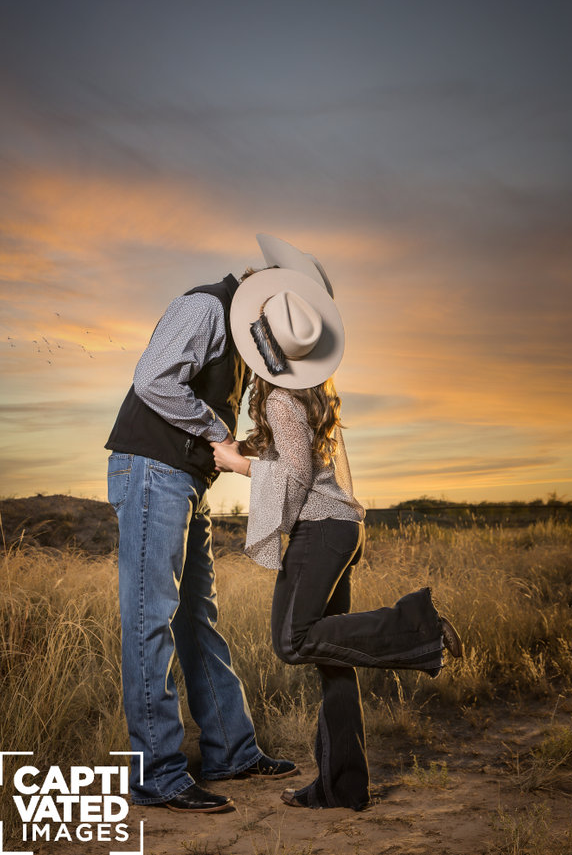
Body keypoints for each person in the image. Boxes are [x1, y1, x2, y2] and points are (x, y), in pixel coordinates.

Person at [213, 250, 463, 811]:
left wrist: (236, 464)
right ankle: (342, 786)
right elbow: (297, 449)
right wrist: (247, 448)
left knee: (291, 640)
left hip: (323, 531)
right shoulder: (312, 389)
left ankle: (416, 625)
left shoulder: (279, 396)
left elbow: (297, 472)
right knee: (335, 660)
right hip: (345, 528)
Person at [105, 253, 299, 814]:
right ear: (258, 296)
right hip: (151, 471)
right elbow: (153, 380)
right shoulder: (205, 307)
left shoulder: (238, 332)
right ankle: (159, 776)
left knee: (195, 617)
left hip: (181, 477)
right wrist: (221, 433)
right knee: (150, 620)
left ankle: (230, 752)